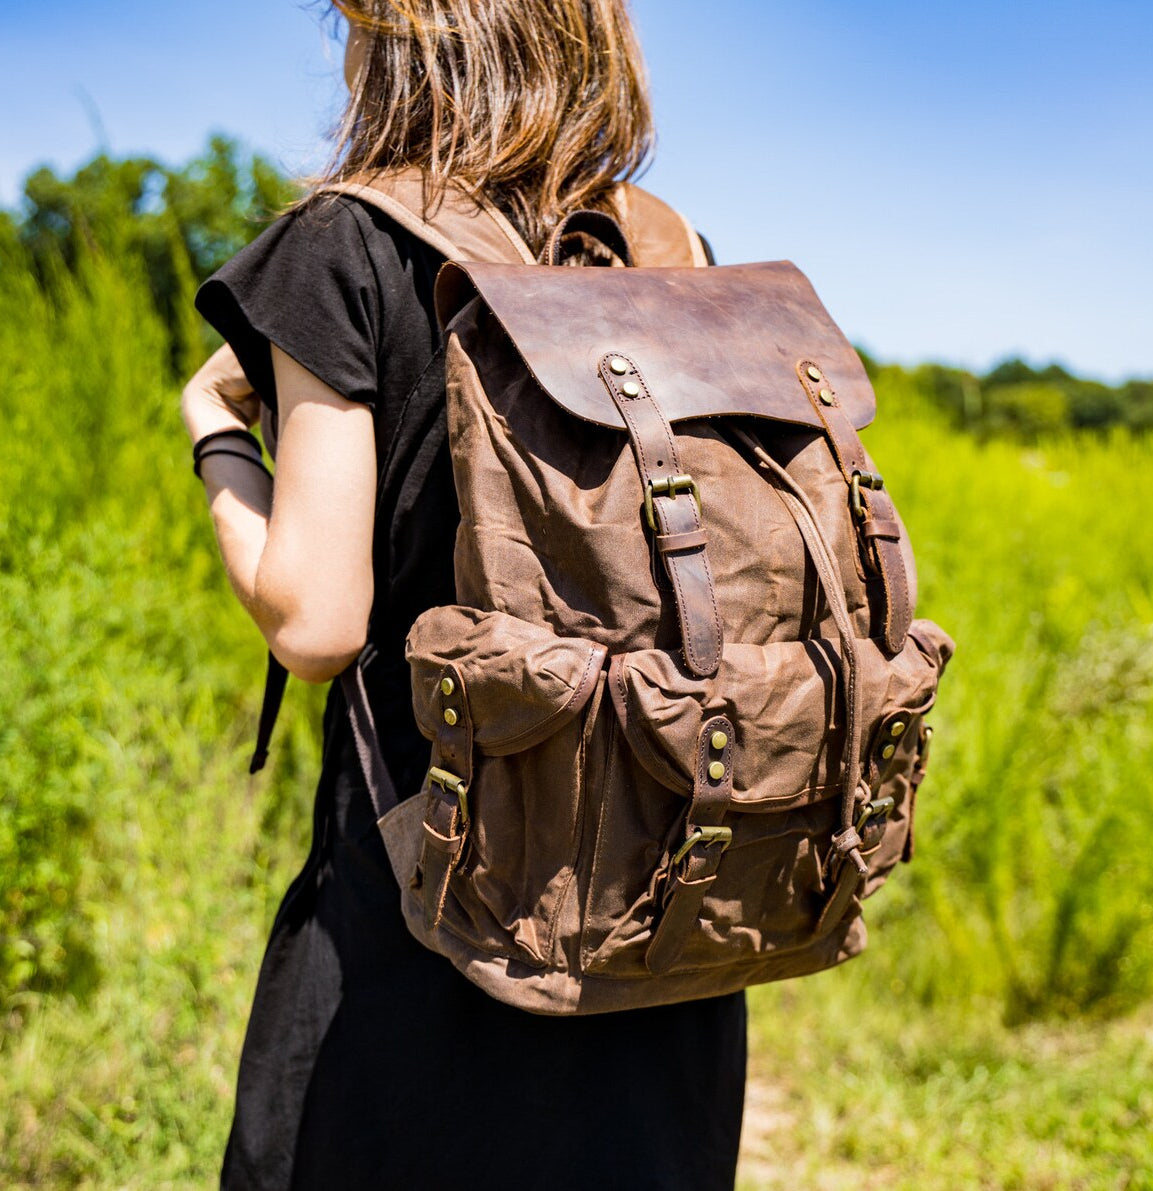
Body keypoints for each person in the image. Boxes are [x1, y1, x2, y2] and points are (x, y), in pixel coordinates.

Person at [181, 2, 746, 1188]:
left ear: (398, 44)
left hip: (430, 932)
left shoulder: (346, 241)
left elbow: (317, 621)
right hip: (666, 922)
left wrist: (213, 434)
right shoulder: (670, 251)